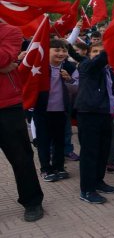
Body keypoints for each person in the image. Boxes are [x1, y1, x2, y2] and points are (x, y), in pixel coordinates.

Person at [0, 23, 44, 222]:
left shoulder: (10, 31)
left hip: (7, 106)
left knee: (21, 157)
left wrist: (5, 64)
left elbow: (3, 57)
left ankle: (32, 201)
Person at [75, 42, 114, 204]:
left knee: (103, 151)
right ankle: (87, 190)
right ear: (88, 54)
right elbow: (100, 60)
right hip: (89, 115)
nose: (98, 54)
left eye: (101, 51)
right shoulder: (87, 66)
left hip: (105, 114)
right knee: (90, 153)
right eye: (95, 51)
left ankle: (98, 181)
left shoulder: (108, 70)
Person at [33, 39, 78, 182]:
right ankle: (45, 169)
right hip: (42, 110)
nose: (61, 53)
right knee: (44, 141)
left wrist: (69, 80)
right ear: (48, 51)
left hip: (61, 110)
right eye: (56, 50)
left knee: (60, 141)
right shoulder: (38, 66)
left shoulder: (70, 67)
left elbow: (76, 88)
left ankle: (59, 167)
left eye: (64, 50)